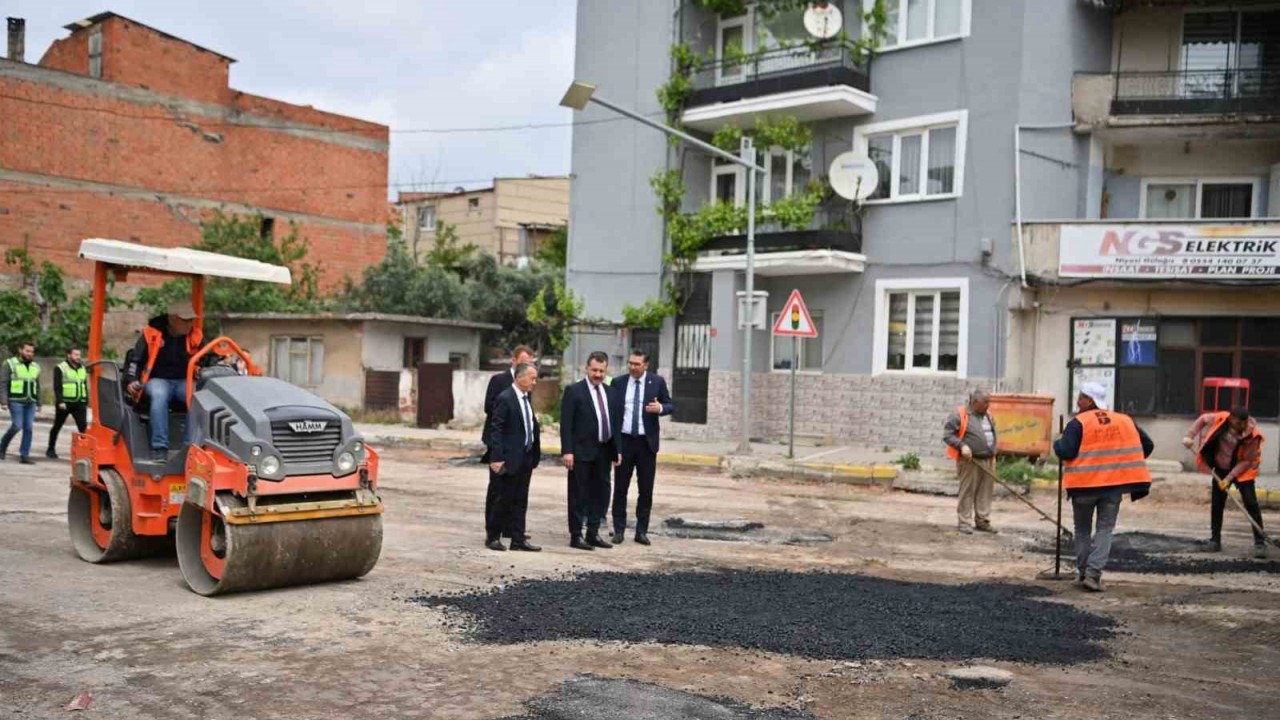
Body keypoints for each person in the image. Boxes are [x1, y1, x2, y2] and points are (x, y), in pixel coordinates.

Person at [1053, 382, 1153, 592]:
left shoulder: (1078, 423)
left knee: (1082, 529)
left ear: (1089, 400)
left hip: (1083, 487)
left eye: (1080, 397)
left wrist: (1057, 444)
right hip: (1112, 488)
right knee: (1105, 529)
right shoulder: (1124, 421)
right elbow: (1147, 445)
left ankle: (1083, 572)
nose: (1078, 401)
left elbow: (1067, 451)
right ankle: (1093, 574)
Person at [1182, 406, 1267, 559]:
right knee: (1217, 504)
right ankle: (1215, 541)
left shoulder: (1252, 435)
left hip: (1243, 470)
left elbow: (1247, 461)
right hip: (1221, 467)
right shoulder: (1221, 418)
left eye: (1245, 423)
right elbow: (1202, 419)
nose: (1243, 426)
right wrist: (1189, 436)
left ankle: (1260, 542)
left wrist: (1229, 478)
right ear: (1231, 419)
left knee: (1251, 503)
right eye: (1239, 423)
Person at [125, 300, 202, 462]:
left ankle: (190, 447)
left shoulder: (196, 336)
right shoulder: (150, 335)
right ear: (172, 319)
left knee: (196, 397)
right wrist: (131, 380)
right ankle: (159, 447)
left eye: (191, 320)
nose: (190, 324)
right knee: (159, 394)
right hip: (157, 380)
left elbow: (209, 358)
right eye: (185, 320)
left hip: (183, 381)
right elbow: (135, 361)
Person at [610, 349, 673, 546]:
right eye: (630, 363)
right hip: (625, 442)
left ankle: (641, 531)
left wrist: (660, 409)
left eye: (637, 364)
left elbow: (670, 405)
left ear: (645, 365)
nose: (632, 367)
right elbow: (612, 412)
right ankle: (619, 530)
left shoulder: (657, 382)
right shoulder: (618, 383)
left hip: (646, 444)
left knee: (646, 490)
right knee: (620, 488)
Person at [560, 351, 620, 551]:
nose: (598, 374)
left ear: (606, 370)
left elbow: (615, 423)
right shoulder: (574, 391)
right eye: (594, 370)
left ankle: (593, 533)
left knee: (601, 493)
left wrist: (617, 450)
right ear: (587, 368)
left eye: (601, 371)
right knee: (578, 494)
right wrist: (567, 451)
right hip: (580, 452)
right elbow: (566, 424)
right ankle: (576, 535)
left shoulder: (611, 392)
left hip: (603, 452)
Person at [485, 362, 542, 552]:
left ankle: (518, 539)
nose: (534, 382)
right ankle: (493, 537)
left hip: (525, 457)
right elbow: (497, 428)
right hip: (508, 459)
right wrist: (497, 457)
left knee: (521, 500)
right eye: (532, 378)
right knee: (503, 499)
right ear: (519, 377)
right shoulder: (506, 398)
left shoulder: (526, 397)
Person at [942, 389, 999, 534]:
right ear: (975, 402)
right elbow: (948, 435)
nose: (988, 405)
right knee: (967, 491)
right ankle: (965, 522)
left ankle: (982, 521)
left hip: (987, 459)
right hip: (969, 461)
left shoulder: (988, 415)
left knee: (985, 492)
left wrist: (993, 452)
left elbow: (992, 434)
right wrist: (962, 446)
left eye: (989, 401)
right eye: (986, 402)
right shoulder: (959, 414)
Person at [0, 341, 41, 465]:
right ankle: (2, 447)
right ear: (20, 350)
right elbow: (3, 383)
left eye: (32, 351)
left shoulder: (36, 366)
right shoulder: (10, 364)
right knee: (17, 426)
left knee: (28, 428)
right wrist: (4, 401)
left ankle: (24, 455)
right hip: (15, 400)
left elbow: (37, 385)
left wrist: (39, 402)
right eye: (27, 351)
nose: (30, 354)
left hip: (30, 402)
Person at [46, 347, 89, 459]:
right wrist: (60, 401)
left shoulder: (82, 368)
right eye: (75, 354)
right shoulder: (60, 368)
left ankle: (84, 452)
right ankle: (50, 449)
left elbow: (84, 385)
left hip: (79, 402)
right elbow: (57, 386)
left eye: (79, 355)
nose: (78, 357)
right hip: (65, 403)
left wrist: (86, 400)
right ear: (69, 355)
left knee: (83, 427)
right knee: (57, 426)